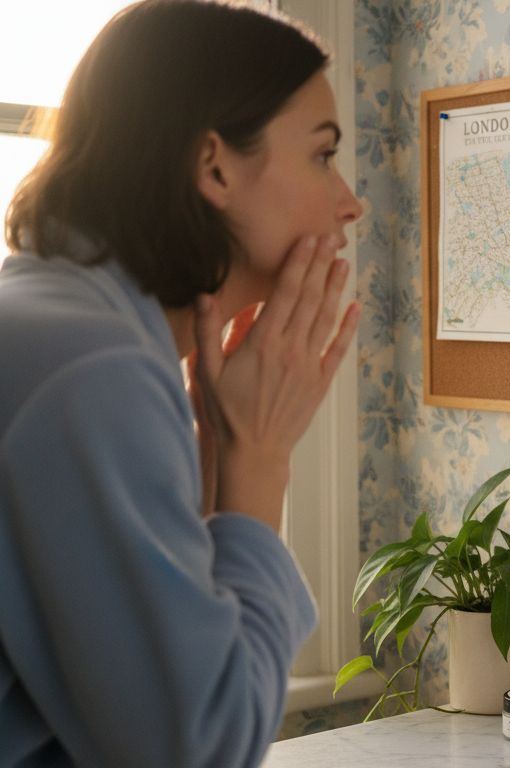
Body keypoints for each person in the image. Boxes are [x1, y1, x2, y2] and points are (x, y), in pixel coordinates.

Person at [0, 1, 361, 765]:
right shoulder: (94, 370)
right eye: (322, 155)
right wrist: (258, 466)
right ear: (215, 166)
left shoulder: (71, 329)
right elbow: (196, 751)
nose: (349, 202)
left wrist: (206, 484)